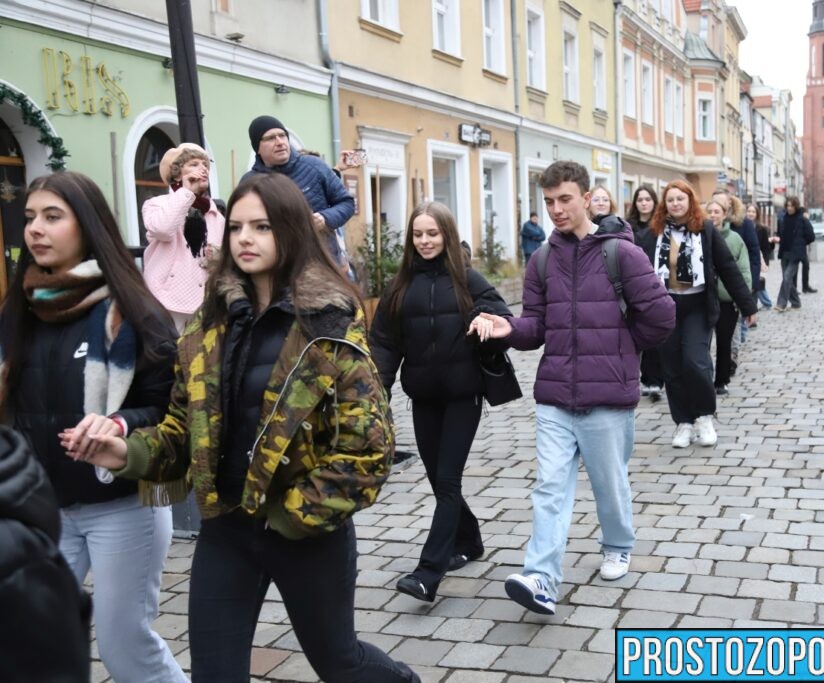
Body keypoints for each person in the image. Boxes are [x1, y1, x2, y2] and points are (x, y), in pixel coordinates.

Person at [71, 174, 419, 683]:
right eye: (236, 227)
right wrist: (127, 453)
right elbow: (180, 432)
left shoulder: (329, 324)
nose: (245, 238)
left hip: (305, 531)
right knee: (213, 673)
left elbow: (368, 449)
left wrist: (294, 514)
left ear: (292, 232)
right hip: (226, 530)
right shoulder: (207, 326)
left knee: (338, 661)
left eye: (262, 226)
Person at [0, 171, 184, 682]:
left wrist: (120, 424)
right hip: (41, 508)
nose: (35, 228)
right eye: (30, 217)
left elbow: (171, 408)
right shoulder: (17, 312)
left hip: (120, 506)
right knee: (28, 637)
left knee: (124, 644)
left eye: (52, 217)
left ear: (88, 226)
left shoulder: (132, 312)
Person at [468, 161, 674, 615]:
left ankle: (618, 544)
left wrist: (622, 351)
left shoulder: (624, 255)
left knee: (609, 483)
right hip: (556, 395)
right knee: (549, 487)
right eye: (549, 202)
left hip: (607, 397)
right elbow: (536, 328)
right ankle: (541, 578)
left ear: (586, 197)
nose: (557, 209)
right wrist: (508, 328)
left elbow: (661, 317)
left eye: (565, 199)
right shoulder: (542, 260)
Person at [370, 201, 512, 603]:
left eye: (432, 233)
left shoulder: (465, 277)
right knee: (438, 480)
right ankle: (470, 540)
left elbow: (500, 311)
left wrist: (486, 317)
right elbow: (383, 343)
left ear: (446, 235)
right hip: (424, 398)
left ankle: (428, 574)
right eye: (418, 234)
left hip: (463, 396)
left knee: (448, 480)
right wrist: (377, 391)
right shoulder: (399, 286)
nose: (425, 241)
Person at [650, 180, 756, 450]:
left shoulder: (705, 230)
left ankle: (704, 417)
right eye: (671, 199)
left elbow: (728, 268)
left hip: (697, 305)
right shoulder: (656, 233)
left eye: (680, 199)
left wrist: (748, 306)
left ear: (690, 201)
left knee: (696, 362)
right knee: (672, 367)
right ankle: (683, 422)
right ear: (665, 204)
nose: (675, 203)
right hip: (666, 306)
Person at [0, 425, 92, 683]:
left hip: (115, 498)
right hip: (54, 497)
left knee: (123, 641)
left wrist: (122, 425)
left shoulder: (17, 557)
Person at [242, 115, 357, 276]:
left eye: (282, 136)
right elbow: (243, 226)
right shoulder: (249, 182)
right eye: (270, 138)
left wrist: (325, 218)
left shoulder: (314, 166)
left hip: (323, 266)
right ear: (258, 148)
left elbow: (347, 203)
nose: (280, 142)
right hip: (277, 271)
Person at [142, 143, 225, 334]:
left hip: (205, 305)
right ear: (177, 174)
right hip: (165, 302)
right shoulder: (157, 204)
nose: (203, 168)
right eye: (194, 164)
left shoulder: (215, 215)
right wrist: (186, 192)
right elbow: (163, 228)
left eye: (205, 165)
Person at [706, 199, 750, 397]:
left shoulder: (735, 239)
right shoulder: (700, 236)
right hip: (704, 299)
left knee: (724, 343)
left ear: (724, 215)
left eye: (717, 211)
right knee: (702, 343)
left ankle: (721, 380)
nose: (713, 215)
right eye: (710, 211)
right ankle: (703, 378)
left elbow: (743, 271)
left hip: (727, 300)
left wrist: (742, 300)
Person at [627, 185, 663, 400]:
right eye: (640, 199)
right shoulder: (628, 226)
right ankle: (640, 377)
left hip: (655, 284)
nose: (643, 203)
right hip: (632, 285)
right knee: (636, 335)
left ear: (654, 202)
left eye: (648, 199)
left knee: (655, 335)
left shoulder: (660, 226)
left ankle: (655, 380)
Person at [774, 197, 815, 312]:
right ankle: (796, 303)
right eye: (787, 206)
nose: (789, 208)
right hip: (784, 252)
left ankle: (781, 304)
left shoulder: (802, 220)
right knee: (787, 279)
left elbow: (811, 236)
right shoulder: (782, 219)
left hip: (795, 254)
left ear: (796, 206)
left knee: (787, 277)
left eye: (791, 206)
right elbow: (780, 234)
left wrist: (800, 244)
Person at [749, 204, 774, 310]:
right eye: (749, 211)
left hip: (759, 259)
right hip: (748, 259)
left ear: (757, 214)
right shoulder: (743, 225)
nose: (750, 213)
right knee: (753, 283)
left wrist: (765, 262)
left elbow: (766, 247)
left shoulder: (762, 228)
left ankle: (766, 302)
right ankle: (759, 304)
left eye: (753, 212)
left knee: (758, 282)